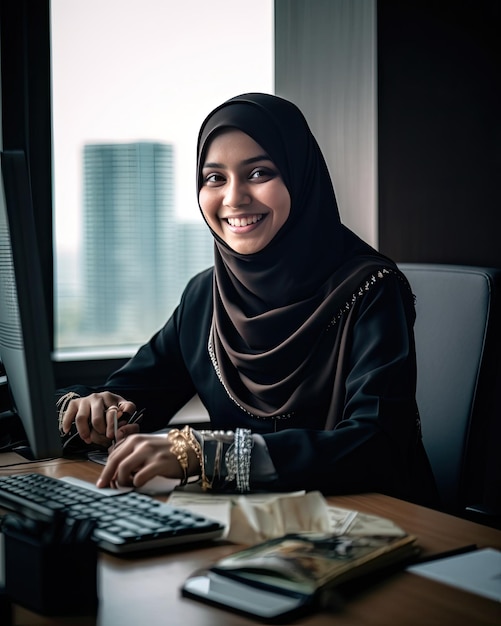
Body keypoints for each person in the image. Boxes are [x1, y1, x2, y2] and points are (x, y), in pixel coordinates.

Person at [58, 92, 438, 506]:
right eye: (215, 178)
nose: (234, 198)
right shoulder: (207, 295)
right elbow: (133, 394)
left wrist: (206, 456)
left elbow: (375, 443)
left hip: (375, 525)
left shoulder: (371, 288)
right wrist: (91, 408)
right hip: (251, 527)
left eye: (258, 173)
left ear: (300, 176)